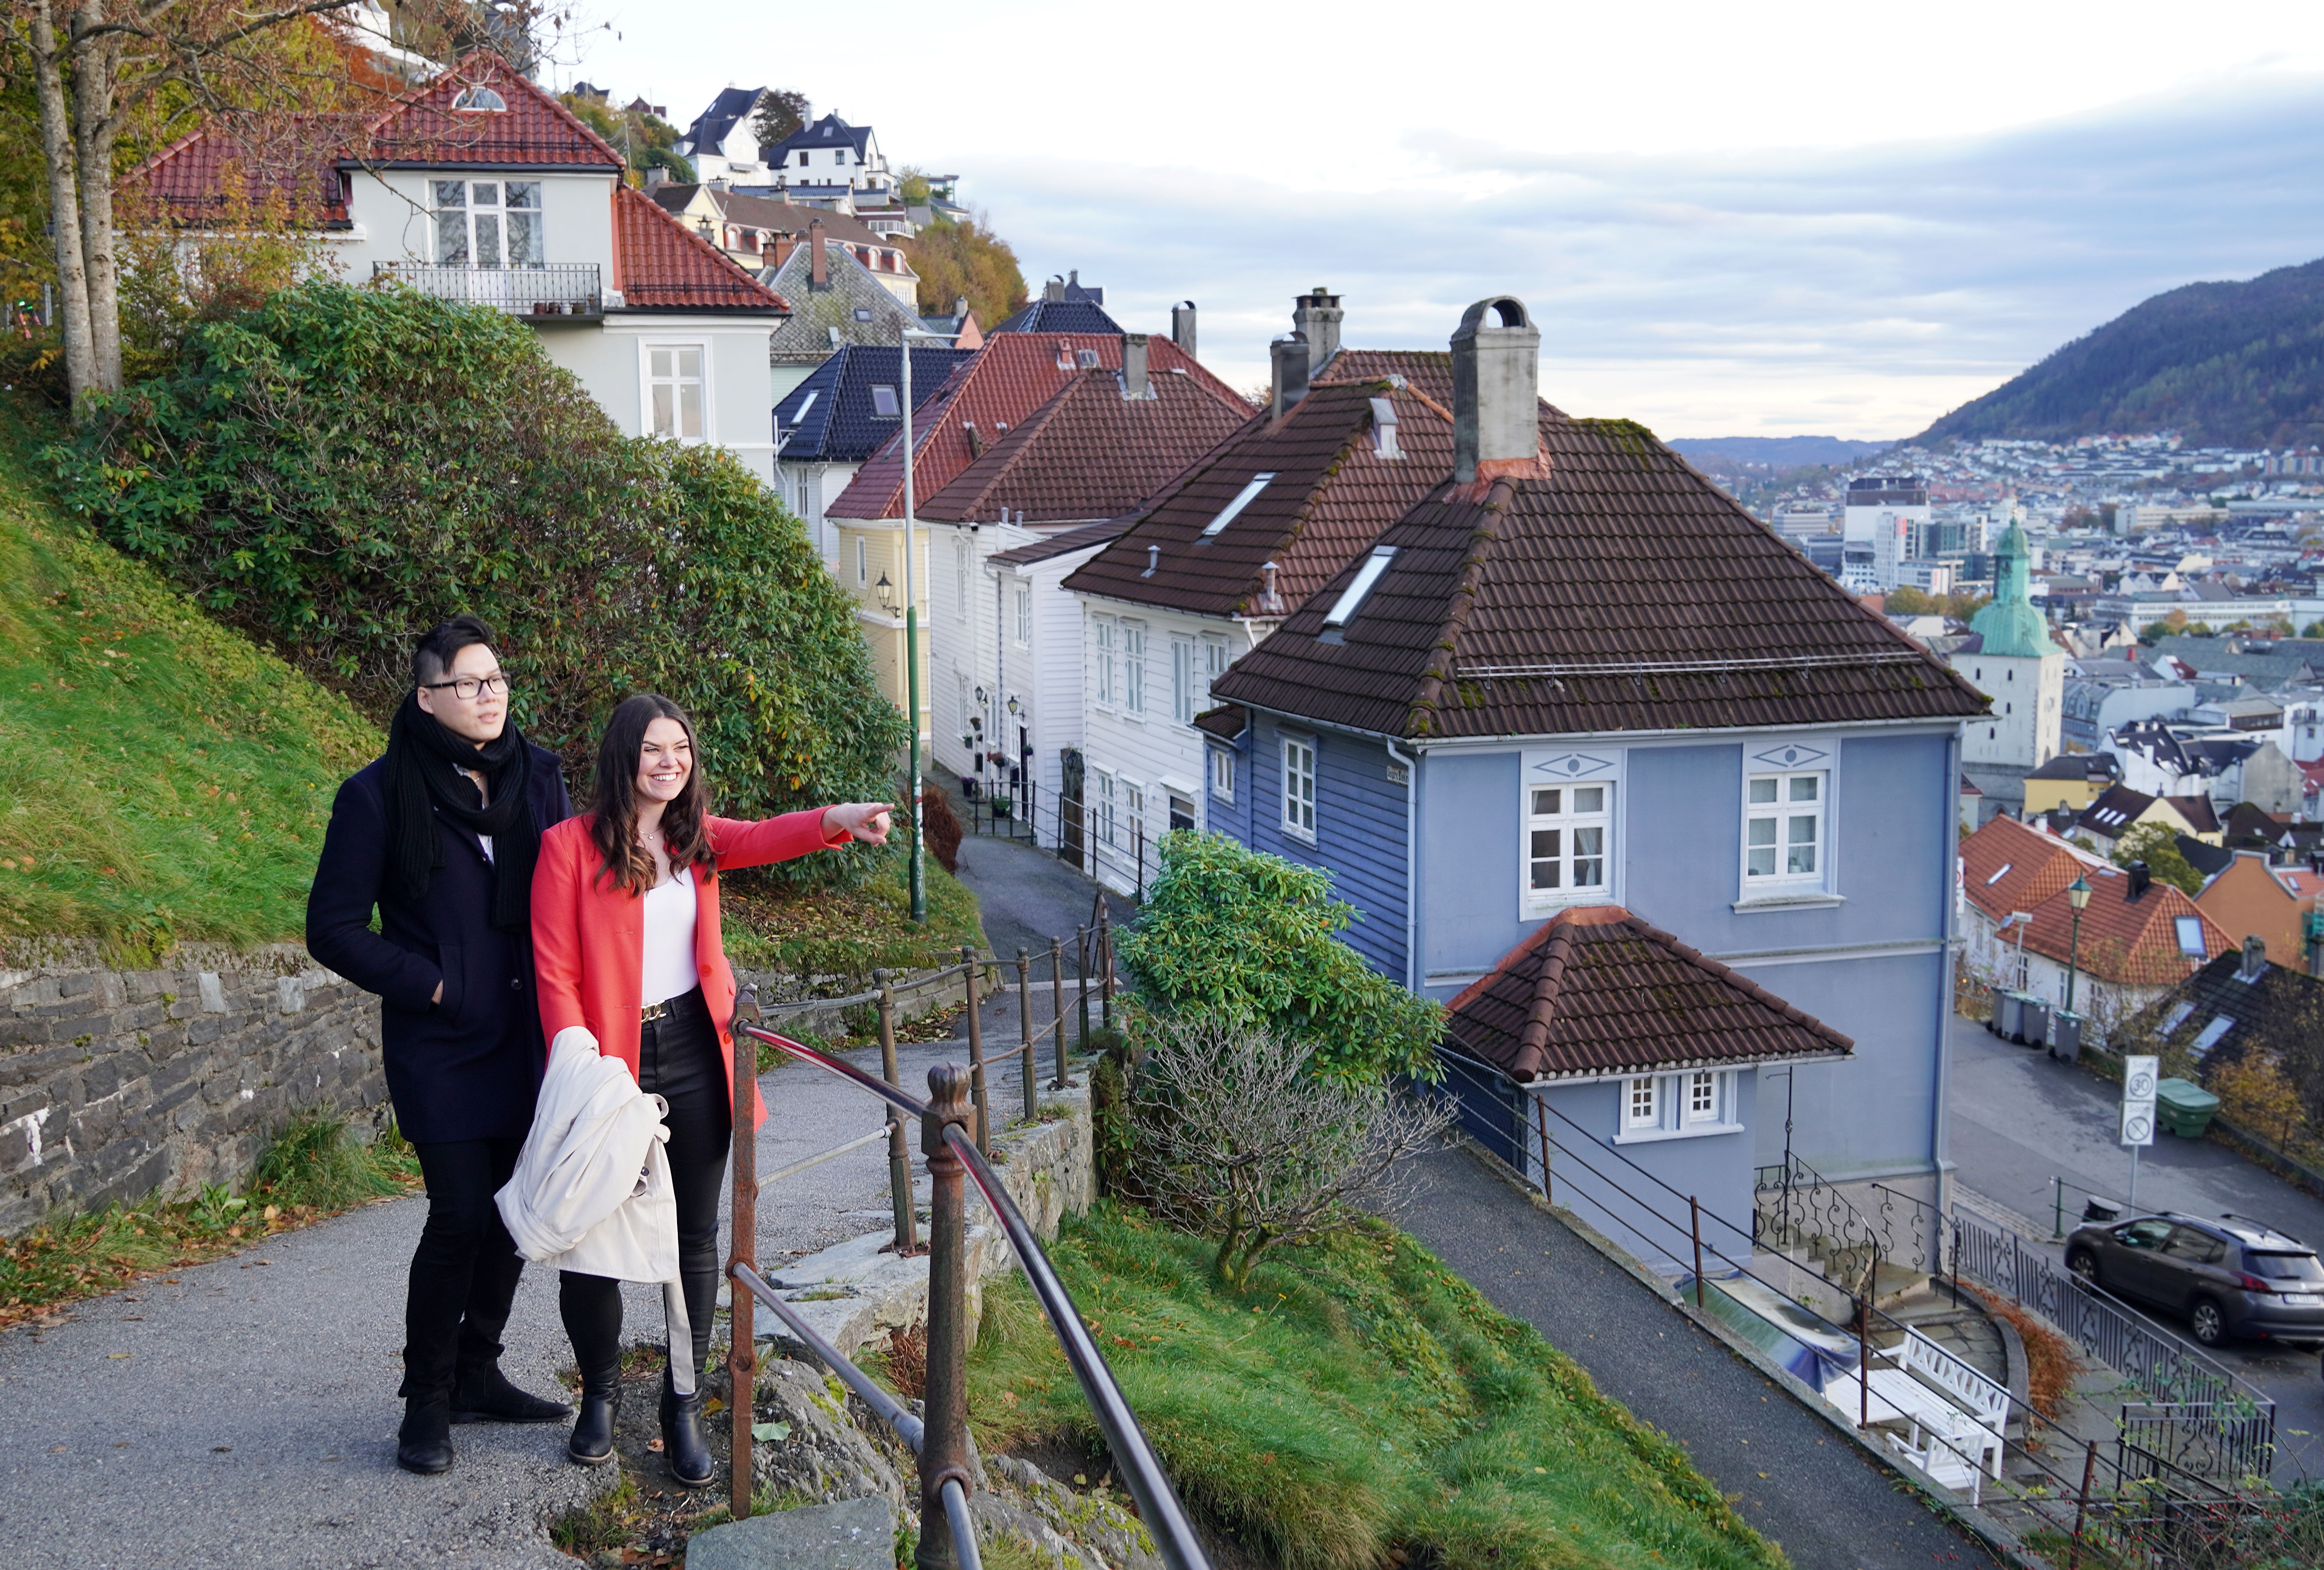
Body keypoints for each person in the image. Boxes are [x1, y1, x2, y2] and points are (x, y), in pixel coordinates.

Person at [531, 693, 890, 1484]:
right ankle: (599, 1397)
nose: (670, 762)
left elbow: (764, 837)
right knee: (592, 1240)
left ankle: (683, 1406)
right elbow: (554, 970)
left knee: (695, 1239)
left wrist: (838, 817)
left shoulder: (695, 837)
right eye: (653, 749)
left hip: (697, 1049)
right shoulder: (567, 846)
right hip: (609, 1061)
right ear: (624, 756)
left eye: (681, 749)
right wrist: (578, 1062)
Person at [307, 615, 577, 1476]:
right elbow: (333, 928)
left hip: (532, 1038)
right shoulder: (377, 795)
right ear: (427, 697)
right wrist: (432, 984)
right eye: (468, 683)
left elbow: (580, 890)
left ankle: (476, 1371)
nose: (489, 695)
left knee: (513, 1215)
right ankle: (425, 1399)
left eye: (496, 679)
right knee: (460, 1213)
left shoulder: (538, 777)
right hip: (443, 1045)